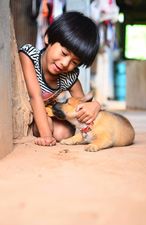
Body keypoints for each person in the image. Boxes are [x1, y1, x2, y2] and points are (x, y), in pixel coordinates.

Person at [19, 11, 101, 147]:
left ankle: (46, 127)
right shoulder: (29, 56)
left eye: (74, 62)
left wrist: (96, 105)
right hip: (26, 113)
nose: (65, 63)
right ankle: (42, 128)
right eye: (64, 53)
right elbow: (35, 97)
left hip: (46, 114)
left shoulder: (69, 76)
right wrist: (46, 136)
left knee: (65, 132)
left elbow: (82, 103)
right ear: (48, 38)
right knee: (47, 127)